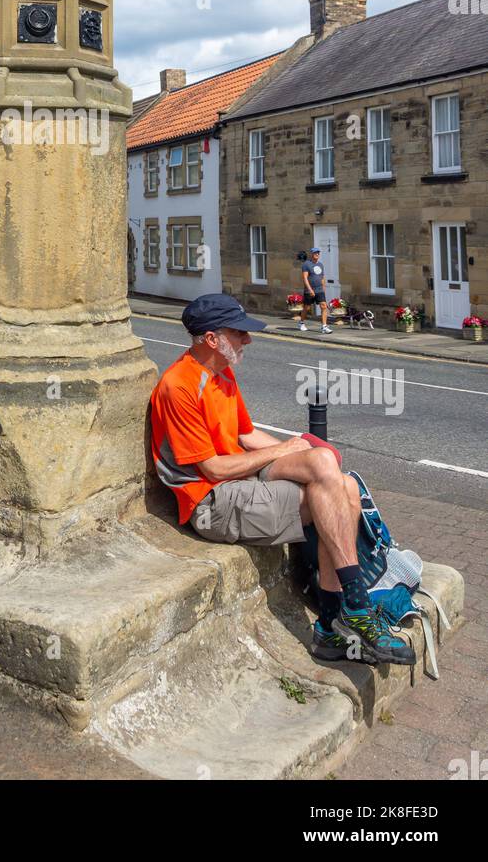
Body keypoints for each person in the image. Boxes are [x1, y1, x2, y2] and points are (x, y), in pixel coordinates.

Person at [150, 293, 414, 666]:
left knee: (337, 478)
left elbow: (245, 436)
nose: (248, 340)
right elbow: (212, 470)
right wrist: (285, 450)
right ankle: (345, 614)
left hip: (241, 480)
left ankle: (339, 618)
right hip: (213, 501)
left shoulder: (221, 374)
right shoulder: (178, 386)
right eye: (239, 333)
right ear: (211, 339)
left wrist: (302, 453)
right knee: (333, 496)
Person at [300, 246, 331, 334]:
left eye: (318, 253)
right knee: (307, 307)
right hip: (309, 290)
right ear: (311, 254)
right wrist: (310, 289)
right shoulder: (306, 264)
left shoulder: (320, 265)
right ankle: (301, 322)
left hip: (319, 290)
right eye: (315, 253)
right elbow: (305, 278)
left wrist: (323, 289)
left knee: (324, 306)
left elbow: (322, 278)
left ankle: (324, 326)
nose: (317, 254)